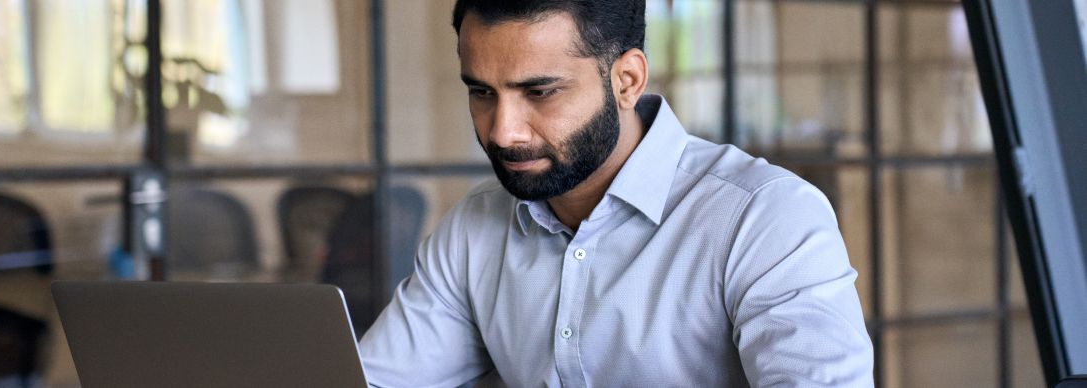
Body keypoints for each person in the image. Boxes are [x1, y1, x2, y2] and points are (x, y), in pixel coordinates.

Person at [359, 1, 874, 386]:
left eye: (539, 92)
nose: (502, 132)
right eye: (481, 92)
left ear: (626, 80)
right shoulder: (474, 228)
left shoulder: (764, 219)